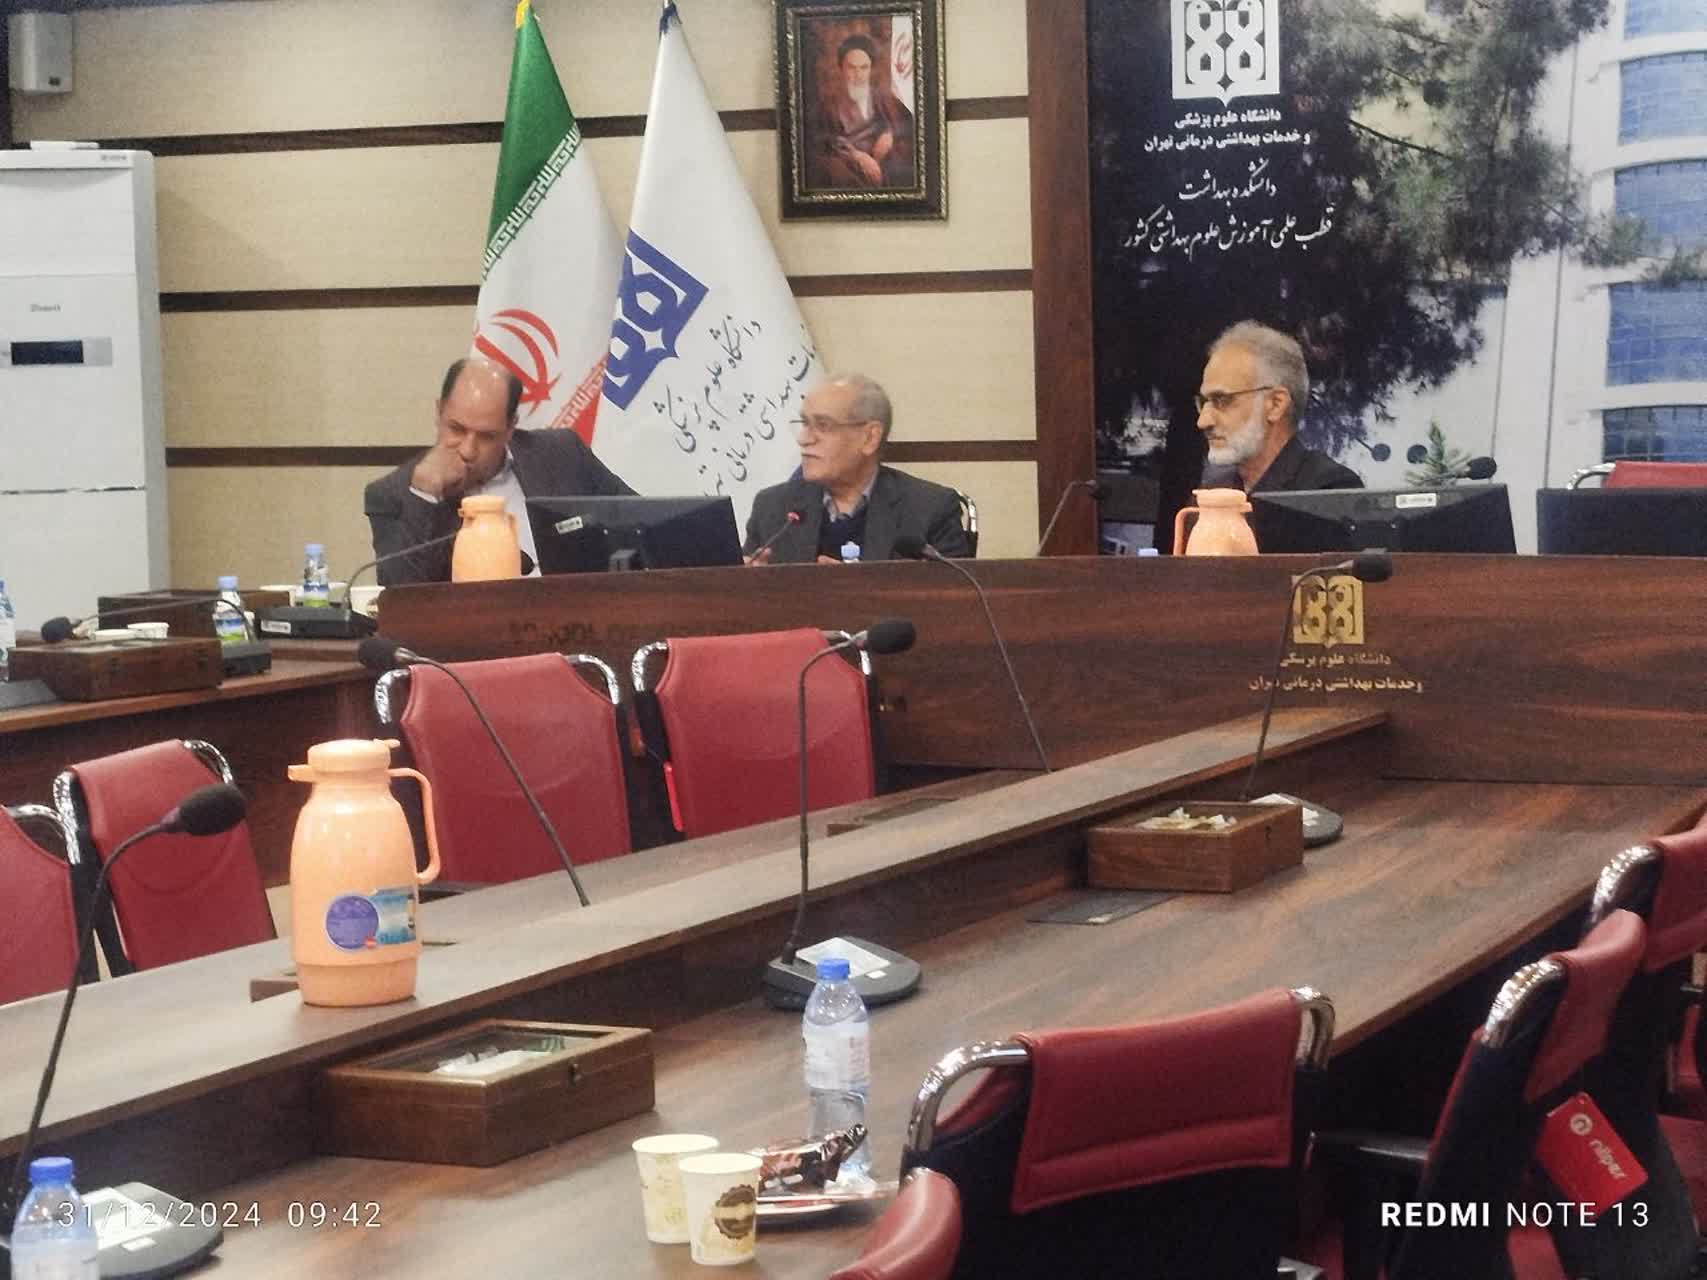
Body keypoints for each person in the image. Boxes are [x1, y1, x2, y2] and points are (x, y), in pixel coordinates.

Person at [364, 356, 632, 586]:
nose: (468, 450)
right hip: (472, 627)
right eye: (456, 429)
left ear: (510, 428)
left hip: (575, 618)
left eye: (486, 436)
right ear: (439, 411)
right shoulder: (393, 495)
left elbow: (641, 522)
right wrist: (426, 496)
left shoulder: (562, 454)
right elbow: (401, 598)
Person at [743, 372, 970, 564]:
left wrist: (855, 589)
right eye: (804, 424)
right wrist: (749, 583)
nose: (804, 439)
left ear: (870, 438)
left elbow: (954, 598)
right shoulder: (772, 508)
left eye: (823, 425)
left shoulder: (930, 510)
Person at [1196, 321, 1363, 492]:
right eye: (1203, 402)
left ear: (1276, 404)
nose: (1203, 421)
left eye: (1221, 399)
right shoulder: (1214, 489)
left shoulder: (1329, 488)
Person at [811, 33, 913, 189]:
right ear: (841, 68)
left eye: (864, 68)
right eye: (851, 68)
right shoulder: (827, 106)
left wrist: (890, 134)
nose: (858, 75)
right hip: (847, 163)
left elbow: (906, 125)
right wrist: (856, 156)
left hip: (882, 161)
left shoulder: (884, 98)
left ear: (871, 69)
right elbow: (823, 141)